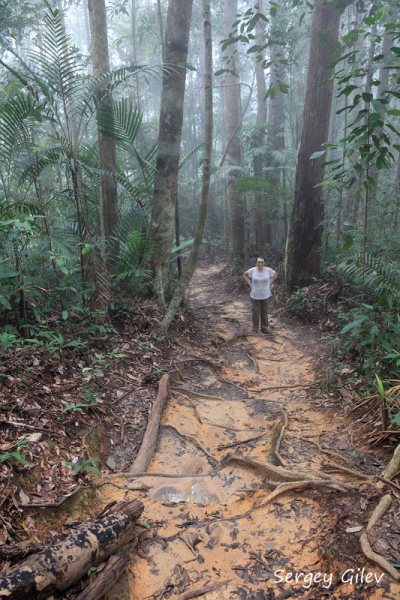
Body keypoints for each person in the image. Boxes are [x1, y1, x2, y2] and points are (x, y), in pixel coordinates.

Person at [243, 258, 277, 333]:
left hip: (265, 294)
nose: (260, 264)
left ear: (264, 263)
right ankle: (255, 329)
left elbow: (275, 274)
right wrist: (250, 284)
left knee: (264, 312)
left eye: (261, 262)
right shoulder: (252, 270)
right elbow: (245, 275)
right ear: (256, 263)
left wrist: (270, 283)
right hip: (255, 294)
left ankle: (264, 328)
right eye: (258, 262)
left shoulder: (268, 270)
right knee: (255, 312)